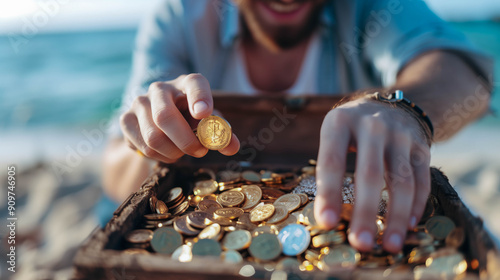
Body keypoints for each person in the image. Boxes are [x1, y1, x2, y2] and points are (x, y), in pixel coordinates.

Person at [102, 0, 493, 253]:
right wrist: (150, 140)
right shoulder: (180, 14)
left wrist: (406, 109)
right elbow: (114, 172)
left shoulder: (372, 7)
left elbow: (468, 77)